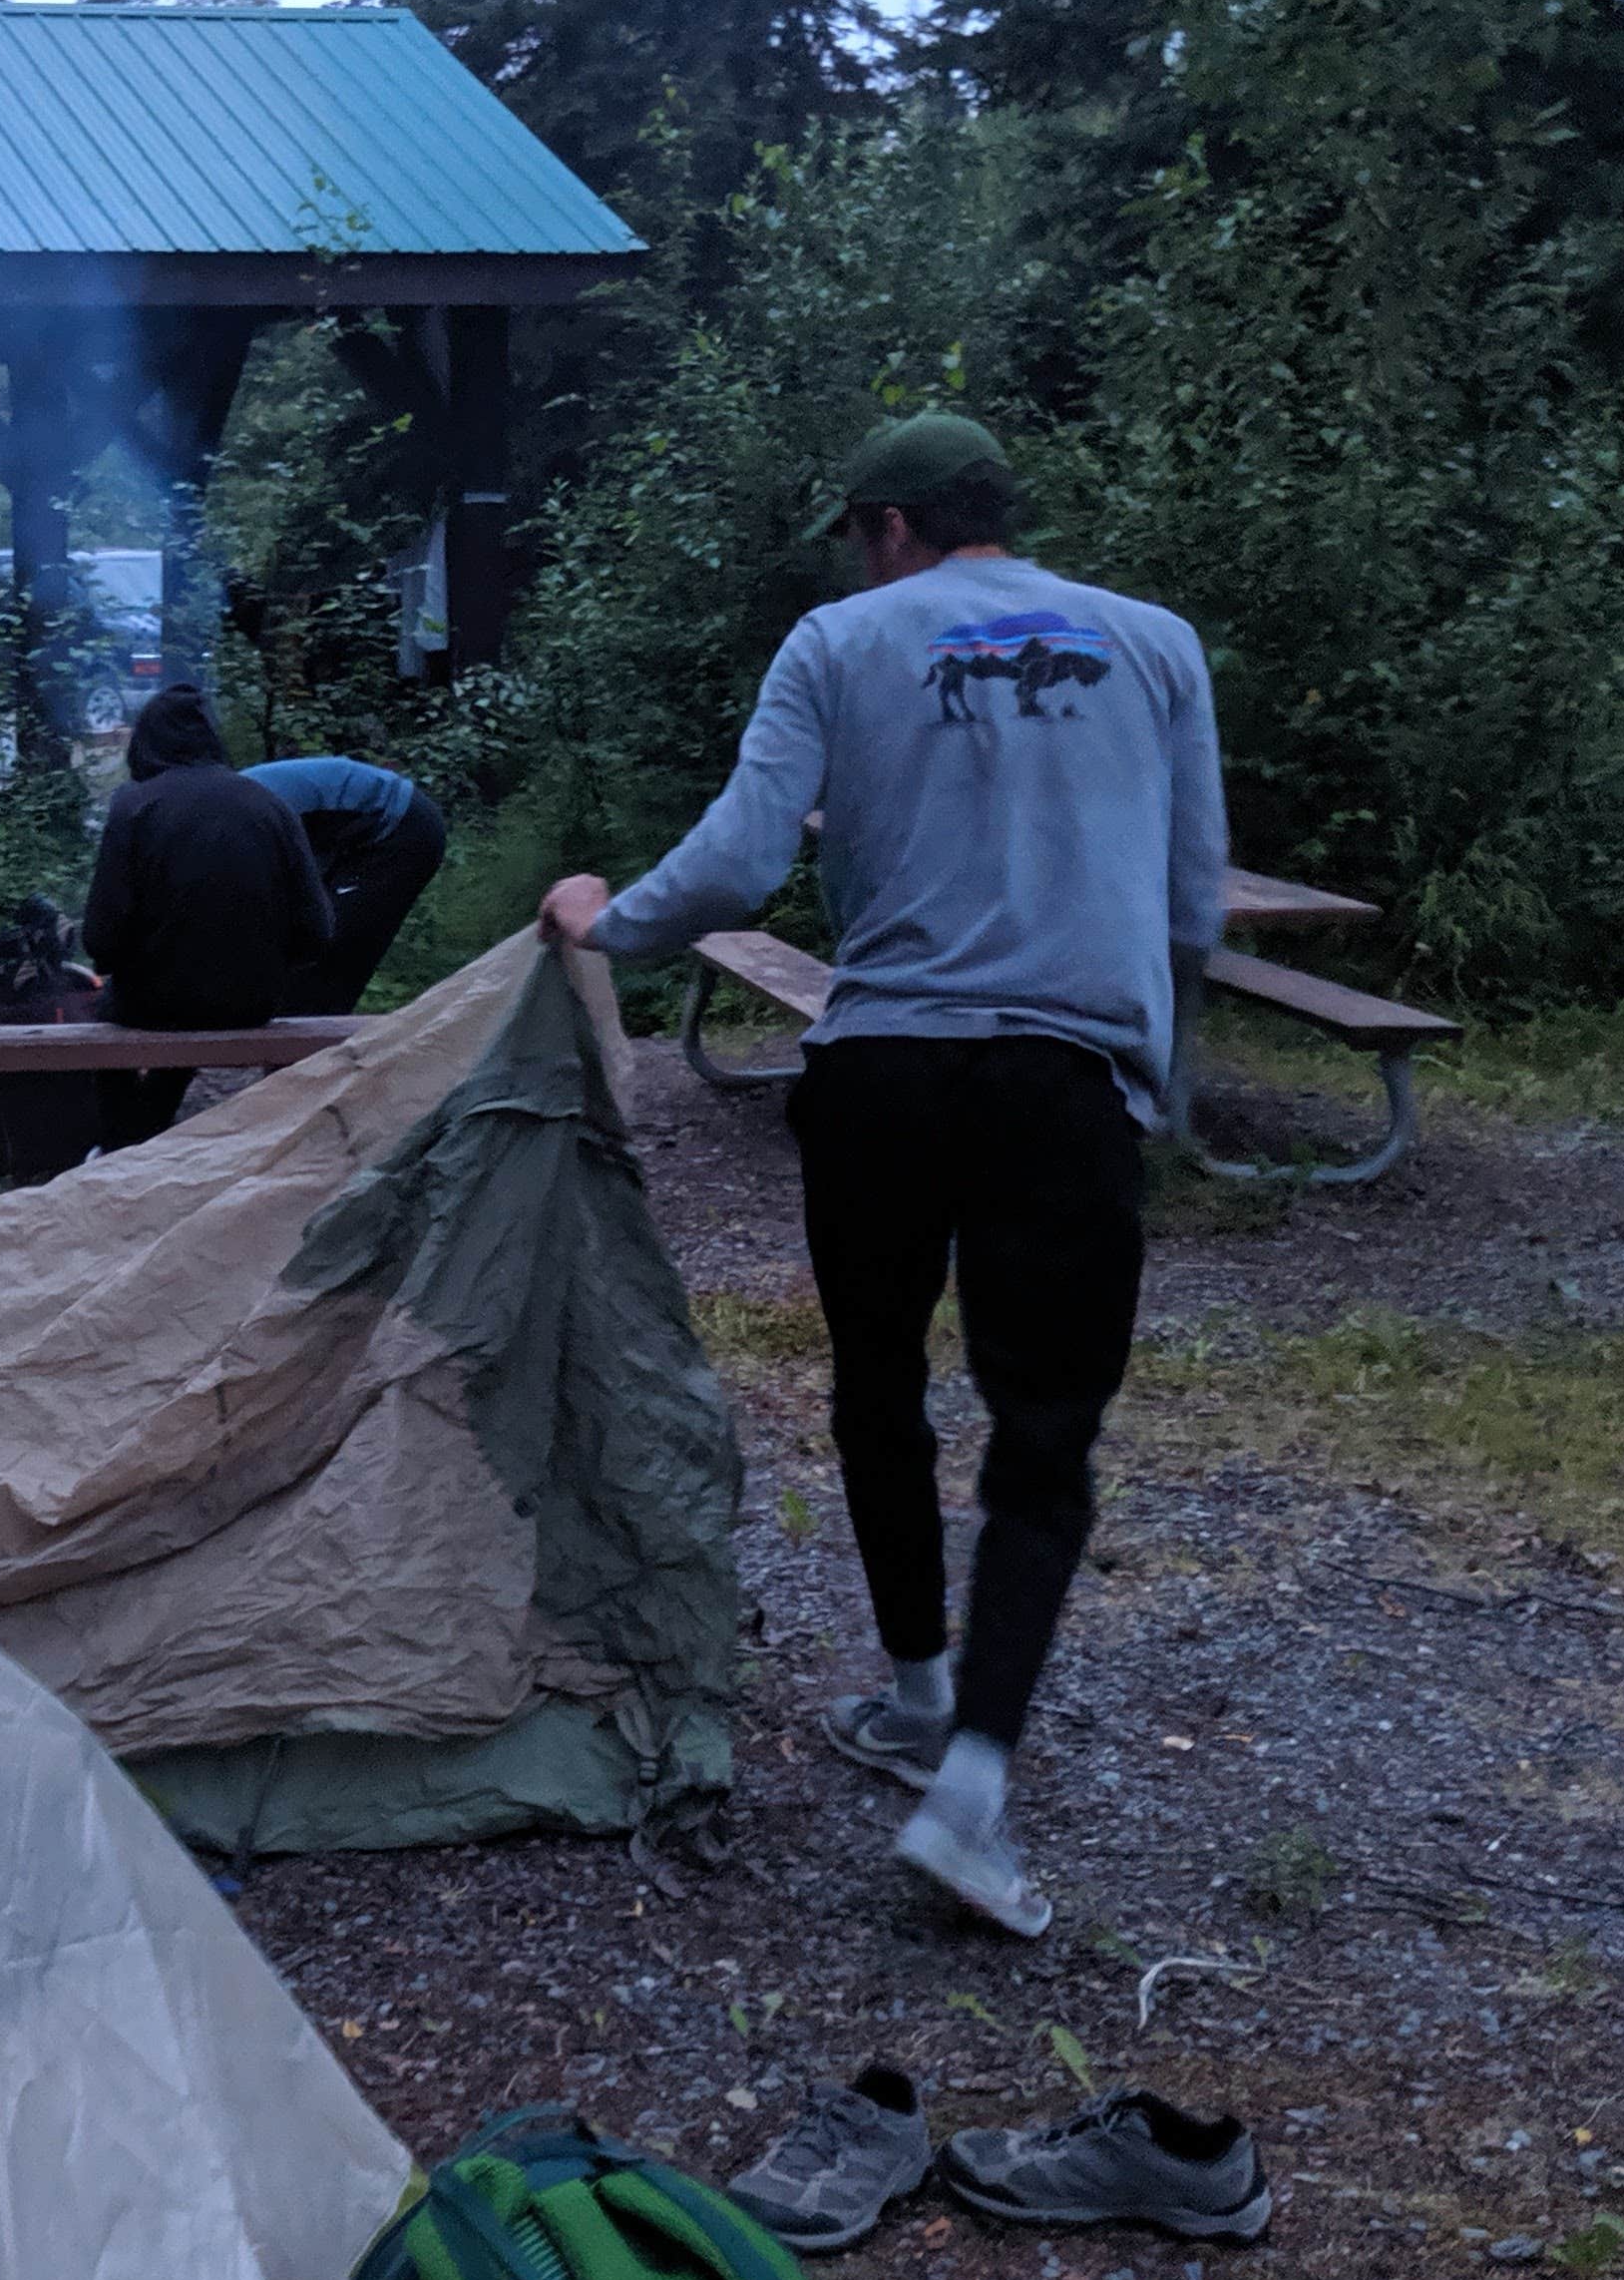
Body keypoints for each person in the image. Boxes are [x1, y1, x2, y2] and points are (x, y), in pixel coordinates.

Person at [536, 412, 1229, 1939]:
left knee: (877, 1383)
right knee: (1044, 1439)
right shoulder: (1157, 646)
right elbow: (1188, 902)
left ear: (894, 526)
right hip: (1065, 1080)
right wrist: (1152, 1086)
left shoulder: (841, 640)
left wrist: (607, 922)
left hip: (887, 1073)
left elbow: (731, 865)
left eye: (861, 534)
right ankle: (968, 1785)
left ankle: (918, 1684)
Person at [83, 685, 333, 1147]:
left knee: (105, 1015)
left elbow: (101, 939)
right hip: (252, 1003)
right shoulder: (270, 804)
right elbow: (317, 929)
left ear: (144, 744)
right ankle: (145, 1133)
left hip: (154, 1005)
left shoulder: (133, 806)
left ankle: (121, 1143)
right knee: (186, 993)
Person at [246, 752, 447, 1014]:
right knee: (303, 951)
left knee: (326, 957)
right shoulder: (227, 808)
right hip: (346, 835)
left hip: (401, 826)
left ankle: (311, 1044)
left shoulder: (239, 815)